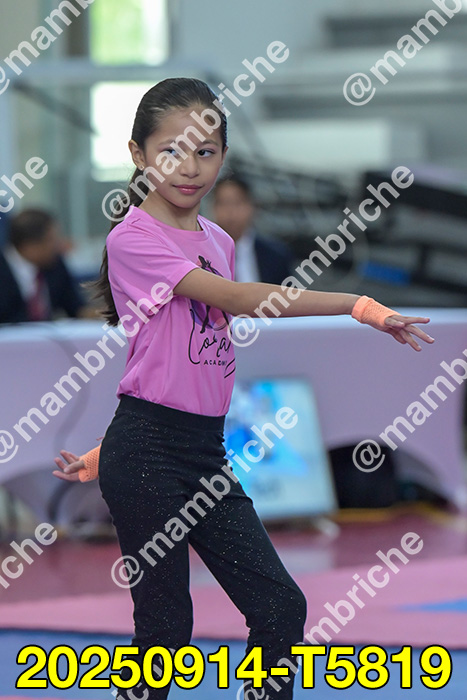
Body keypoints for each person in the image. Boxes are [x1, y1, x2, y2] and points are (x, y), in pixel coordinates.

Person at [52, 78, 433, 699]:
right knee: (165, 632)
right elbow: (234, 299)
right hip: (148, 450)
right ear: (138, 154)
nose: (190, 167)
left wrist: (106, 448)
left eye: (206, 152)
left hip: (201, 451)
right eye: (172, 151)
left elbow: (181, 358)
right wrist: (355, 304)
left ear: (223, 157)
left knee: (280, 607)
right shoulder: (133, 238)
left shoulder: (220, 241)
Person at [0, 208, 94, 324]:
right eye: (52, 240)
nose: (59, 245)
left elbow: (77, 308)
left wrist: (99, 314)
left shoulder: (56, 264)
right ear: (30, 246)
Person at [212, 174, 295, 284]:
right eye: (223, 203)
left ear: (251, 206)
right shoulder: (202, 254)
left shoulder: (276, 255)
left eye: (237, 203)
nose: (230, 211)